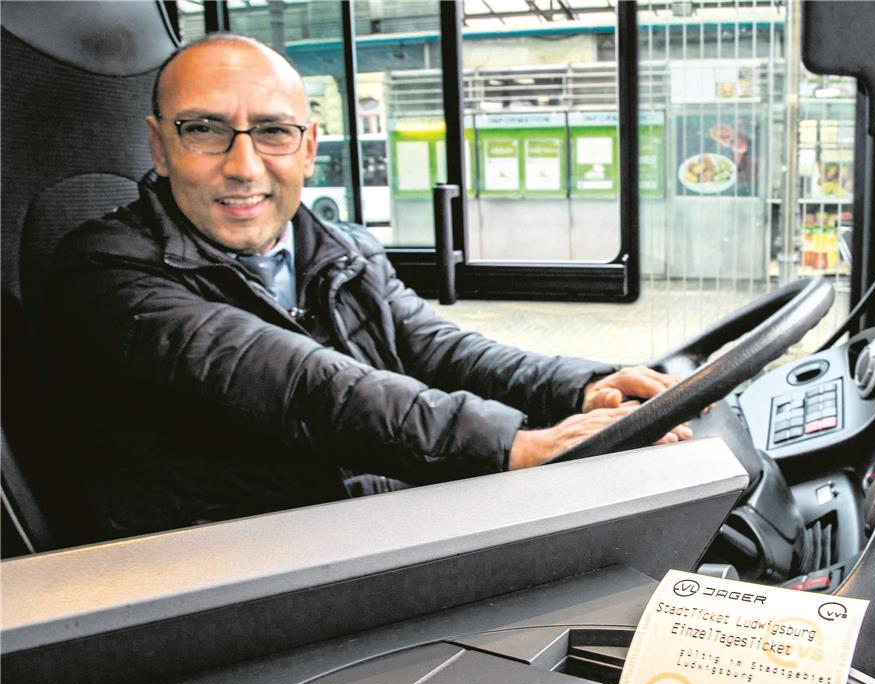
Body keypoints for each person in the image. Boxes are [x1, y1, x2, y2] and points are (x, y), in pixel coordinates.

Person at [46, 33, 690, 540]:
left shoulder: (342, 247)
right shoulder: (104, 270)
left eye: (273, 131)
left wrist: (580, 385)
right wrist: (511, 445)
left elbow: (435, 348)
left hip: (364, 520)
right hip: (230, 571)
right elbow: (302, 385)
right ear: (160, 148)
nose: (243, 167)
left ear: (307, 148)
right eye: (205, 130)